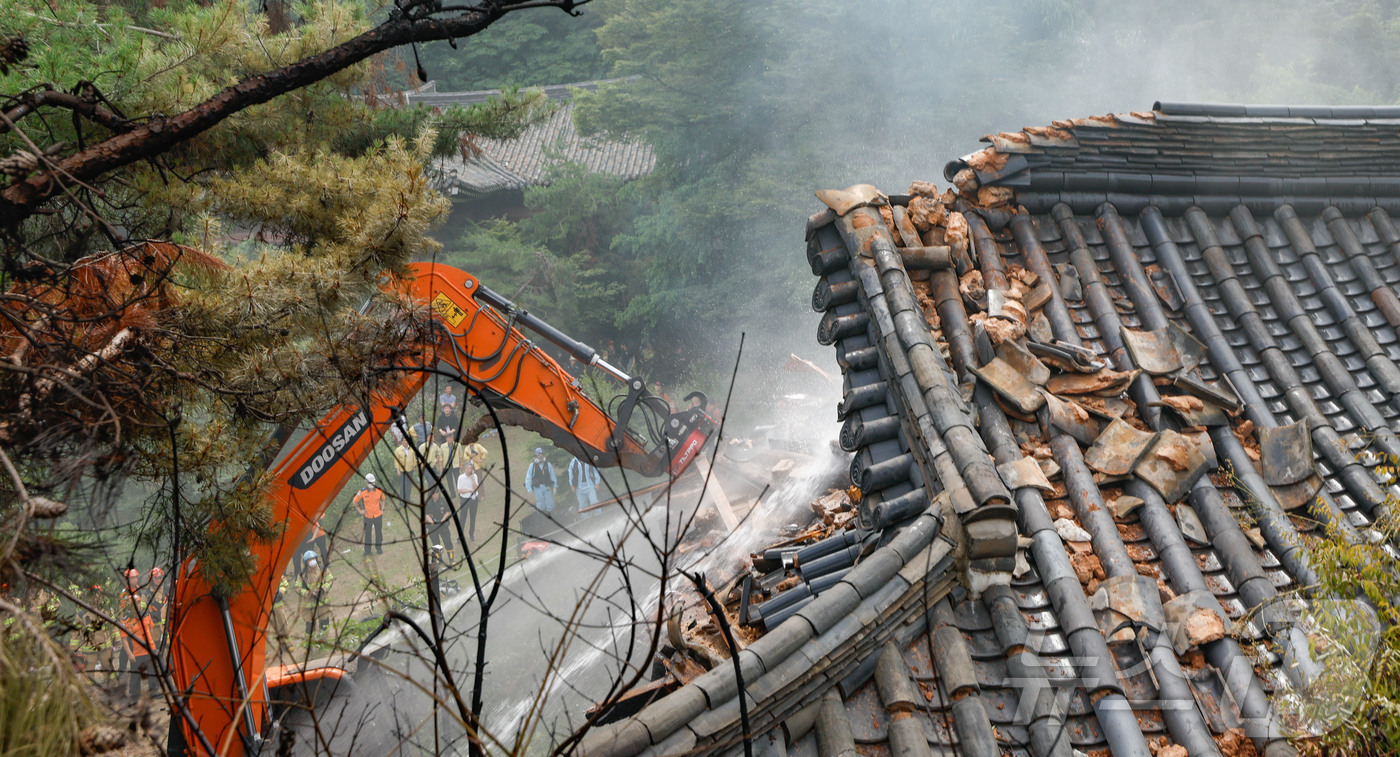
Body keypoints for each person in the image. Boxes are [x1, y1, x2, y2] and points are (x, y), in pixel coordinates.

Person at [299, 553, 334, 637]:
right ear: (306, 562)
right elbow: (298, 588)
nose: (312, 561)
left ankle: (324, 640)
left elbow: (330, 580)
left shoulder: (323, 570)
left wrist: (322, 590)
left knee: (324, 622)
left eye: (313, 558)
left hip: (322, 602)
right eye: (310, 560)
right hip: (309, 604)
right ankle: (310, 642)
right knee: (310, 626)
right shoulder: (302, 574)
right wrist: (308, 593)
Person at [354, 474, 386, 556]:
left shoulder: (379, 490)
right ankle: (367, 550)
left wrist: (382, 509)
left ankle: (379, 548)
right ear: (366, 482)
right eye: (370, 482)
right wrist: (360, 511)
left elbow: (383, 499)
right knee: (367, 534)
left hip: (378, 515)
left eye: (373, 482)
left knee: (379, 532)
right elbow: (355, 502)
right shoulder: (362, 492)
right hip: (367, 516)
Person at [425, 490, 456, 564]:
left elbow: (448, 512)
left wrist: (443, 519)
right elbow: (426, 514)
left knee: (447, 541)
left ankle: (451, 559)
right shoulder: (428, 503)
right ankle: (439, 560)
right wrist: (431, 521)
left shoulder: (444, 501)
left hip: (443, 525)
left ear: (438, 493)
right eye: (432, 494)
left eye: (435, 493)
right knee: (436, 544)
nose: (434, 495)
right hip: (432, 527)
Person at [525, 448, 557, 515]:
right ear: (536, 456)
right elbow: (528, 478)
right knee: (541, 505)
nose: (540, 455)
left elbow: (553, 476)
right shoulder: (532, 466)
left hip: (547, 487)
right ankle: (541, 517)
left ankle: (550, 516)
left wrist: (555, 487)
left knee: (550, 504)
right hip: (537, 488)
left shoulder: (548, 464)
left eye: (542, 454)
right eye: (539, 454)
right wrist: (529, 489)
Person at [455, 461, 481, 541]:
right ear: (465, 469)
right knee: (462, 518)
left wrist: (472, 478)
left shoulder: (474, 476)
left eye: (471, 468)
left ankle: (471, 534)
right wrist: (469, 490)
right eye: (468, 468)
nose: (470, 470)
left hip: (473, 499)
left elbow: (476, 487)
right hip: (465, 499)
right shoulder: (461, 478)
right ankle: (460, 536)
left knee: (473, 517)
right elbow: (459, 490)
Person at [393, 437, 419, 503]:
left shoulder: (411, 449)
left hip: (410, 469)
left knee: (409, 485)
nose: (406, 442)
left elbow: (414, 458)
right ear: (402, 441)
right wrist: (398, 470)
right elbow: (396, 461)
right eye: (404, 440)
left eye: (407, 440)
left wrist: (414, 466)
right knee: (403, 485)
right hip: (403, 471)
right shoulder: (398, 450)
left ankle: (408, 498)